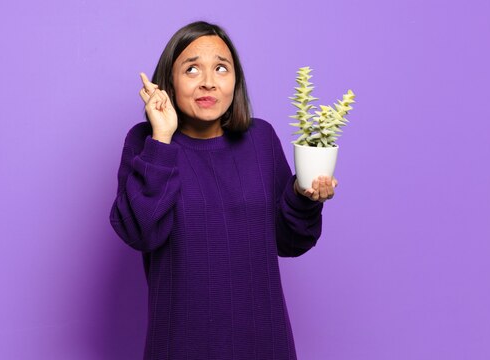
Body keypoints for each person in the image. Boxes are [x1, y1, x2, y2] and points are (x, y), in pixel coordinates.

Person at [110, 21, 338, 360]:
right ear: (169, 83)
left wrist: (303, 198)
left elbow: (289, 241)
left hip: (264, 342)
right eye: (191, 69)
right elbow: (141, 233)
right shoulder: (146, 142)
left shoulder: (261, 140)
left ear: (236, 80)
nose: (208, 81)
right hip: (181, 344)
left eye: (221, 68)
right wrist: (162, 138)